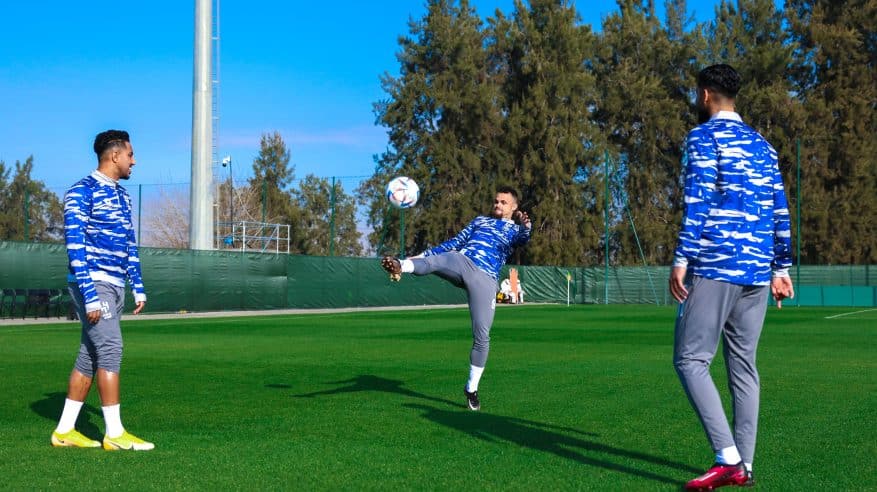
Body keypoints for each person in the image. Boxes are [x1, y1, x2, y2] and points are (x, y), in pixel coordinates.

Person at [669, 64, 794, 490]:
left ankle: (727, 458)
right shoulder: (764, 146)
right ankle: (746, 464)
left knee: (690, 359)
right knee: (743, 367)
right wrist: (781, 267)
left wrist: (681, 258)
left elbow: (698, 200)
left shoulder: (702, 138)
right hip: (757, 272)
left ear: (705, 96)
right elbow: (780, 208)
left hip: (715, 264)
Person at [381, 186, 532, 411]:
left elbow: (524, 237)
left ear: (513, 206)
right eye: (496, 201)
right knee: (441, 259)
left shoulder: (514, 230)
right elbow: (454, 242)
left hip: (486, 279)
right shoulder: (480, 221)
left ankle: (471, 389)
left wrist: (526, 224)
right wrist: (418, 256)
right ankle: (400, 265)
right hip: (463, 262)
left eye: (503, 202)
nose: (497, 205)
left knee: (482, 335)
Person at [51, 130, 154, 451]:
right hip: (92, 283)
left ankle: (65, 431)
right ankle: (115, 434)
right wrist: (90, 294)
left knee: (89, 357)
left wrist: (137, 285)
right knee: (111, 350)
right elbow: (75, 245)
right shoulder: (81, 192)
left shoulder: (123, 196)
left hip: (115, 284)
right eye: (130, 155)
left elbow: (128, 243)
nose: (134, 161)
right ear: (114, 156)